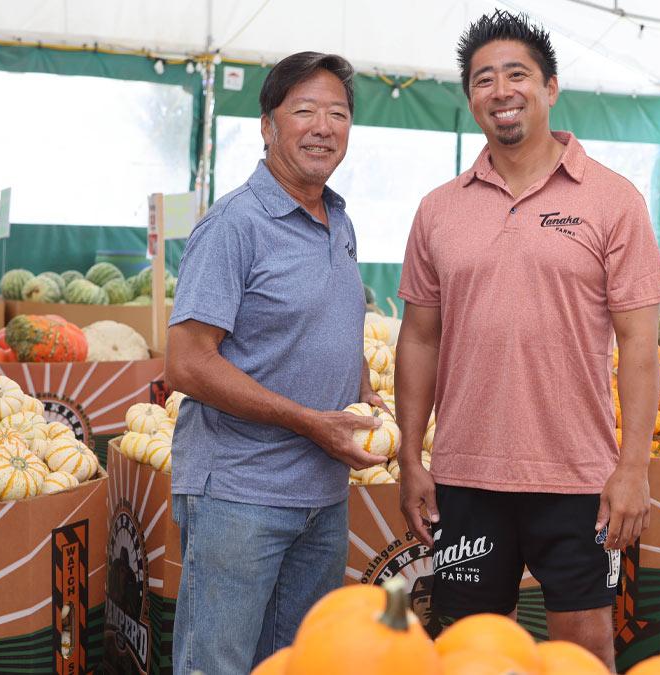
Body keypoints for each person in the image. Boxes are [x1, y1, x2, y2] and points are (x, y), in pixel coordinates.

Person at [395, 10, 660, 669]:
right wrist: (410, 456)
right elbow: (419, 338)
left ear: (549, 87)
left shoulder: (612, 199)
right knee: (469, 649)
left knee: (585, 647)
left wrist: (633, 466)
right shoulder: (440, 207)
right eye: (484, 79)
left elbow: (638, 343)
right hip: (466, 474)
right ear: (470, 100)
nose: (501, 89)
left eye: (517, 73)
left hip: (578, 475)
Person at [164, 51, 386, 675]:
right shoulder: (234, 224)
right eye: (305, 111)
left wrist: (362, 392)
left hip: (321, 494)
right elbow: (186, 364)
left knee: (300, 663)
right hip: (241, 494)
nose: (324, 127)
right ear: (267, 125)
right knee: (219, 665)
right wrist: (309, 421)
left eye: (338, 113)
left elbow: (328, 322)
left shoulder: (337, 218)